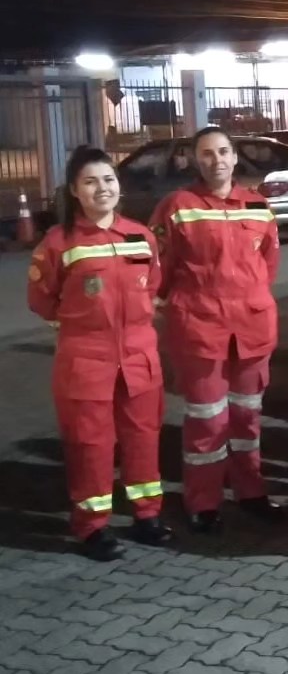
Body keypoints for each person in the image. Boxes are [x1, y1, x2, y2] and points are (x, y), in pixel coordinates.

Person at [27, 147, 171, 560]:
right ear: (75, 191)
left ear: (118, 184)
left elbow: (154, 285)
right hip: (87, 360)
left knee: (143, 438)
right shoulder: (59, 242)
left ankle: (147, 516)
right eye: (90, 181)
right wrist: (79, 324)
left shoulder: (139, 236)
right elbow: (41, 299)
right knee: (91, 444)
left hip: (140, 357)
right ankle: (92, 527)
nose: (101, 188)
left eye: (107, 179)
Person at [149, 126, 282, 532]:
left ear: (235, 156)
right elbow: (159, 270)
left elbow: (269, 266)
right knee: (207, 420)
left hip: (252, 330)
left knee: (247, 418)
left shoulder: (259, 207)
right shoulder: (177, 207)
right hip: (201, 332)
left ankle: (251, 490)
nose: (216, 160)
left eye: (223, 151)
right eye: (206, 154)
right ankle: (203, 501)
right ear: (194, 159)